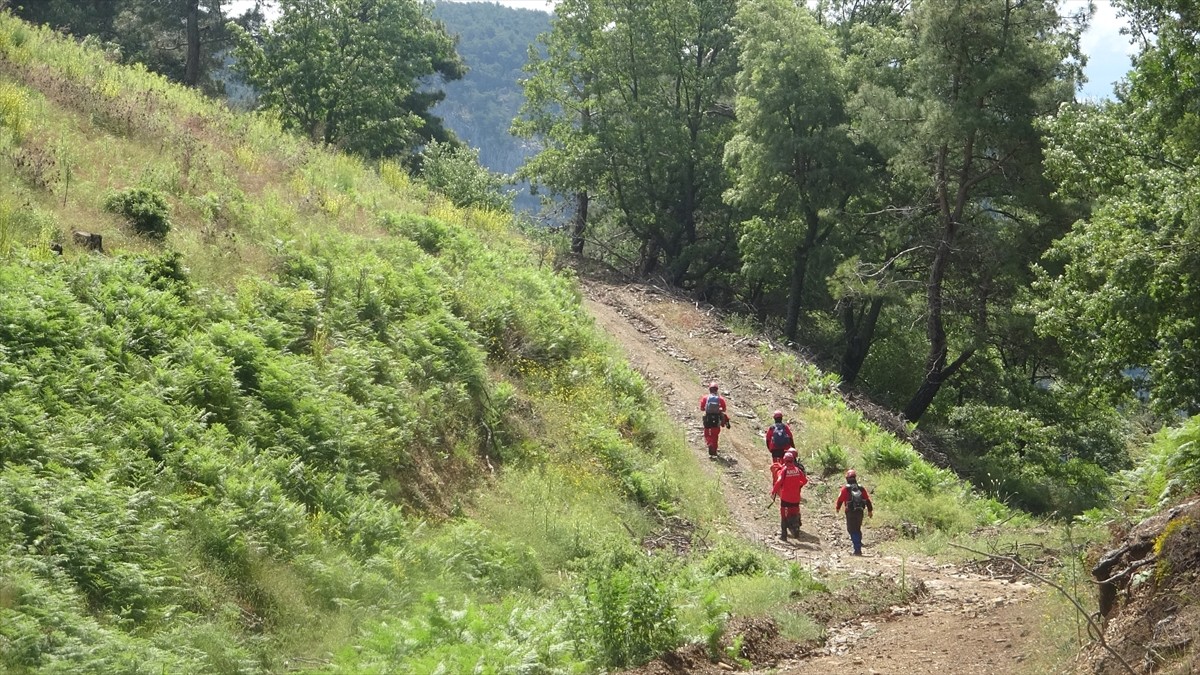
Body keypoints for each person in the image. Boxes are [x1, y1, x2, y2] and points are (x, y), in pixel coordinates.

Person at [771, 450, 808, 541]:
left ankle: (784, 535)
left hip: (785, 497)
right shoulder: (797, 470)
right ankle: (796, 530)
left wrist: (773, 492)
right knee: (795, 512)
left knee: (783, 515)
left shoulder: (784, 470)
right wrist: (797, 484)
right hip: (796, 498)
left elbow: (779, 482)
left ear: (784, 460)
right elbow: (805, 481)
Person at [835, 469, 874, 555]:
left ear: (847, 478)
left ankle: (857, 549)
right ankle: (858, 545)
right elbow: (867, 500)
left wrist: (837, 508)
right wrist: (870, 511)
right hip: (860, 511)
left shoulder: (845, 488)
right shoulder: (861, 488)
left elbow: (840, 500)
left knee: (852, 530)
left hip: (850, 512)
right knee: (857, 528)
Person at [699, 382, 729, 458]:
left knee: (707, 433)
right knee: (715, 435)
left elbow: (702, 408)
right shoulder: (720, 399)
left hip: (708, 418)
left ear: (709, 389)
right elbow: (724, 409)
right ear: (717, 389)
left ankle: (709, 443)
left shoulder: (705, 398)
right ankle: (714, 450)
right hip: (717, 419)